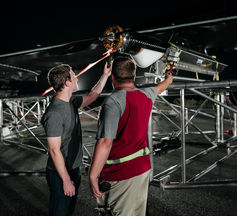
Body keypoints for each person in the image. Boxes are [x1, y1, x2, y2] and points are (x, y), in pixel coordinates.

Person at [89, 56, 173, 216]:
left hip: (121, 173)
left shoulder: (113, 102)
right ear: (134, 76)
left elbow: (106, 142)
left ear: (113, 77)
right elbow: (161, 87)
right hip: (142, 169)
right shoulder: (147, 94)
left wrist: (93, 176)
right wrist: (169, 78)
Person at [42, 62, 111, 215]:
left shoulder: (71, 102)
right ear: (67, 83)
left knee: (69, 210)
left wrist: (105, 75)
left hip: (73, 168)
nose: (77, 79)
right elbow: (54, 151)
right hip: (60, 173)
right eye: (74, 76)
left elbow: (93, 96)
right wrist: (66, 181)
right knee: (59, 212)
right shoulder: (54, 113)